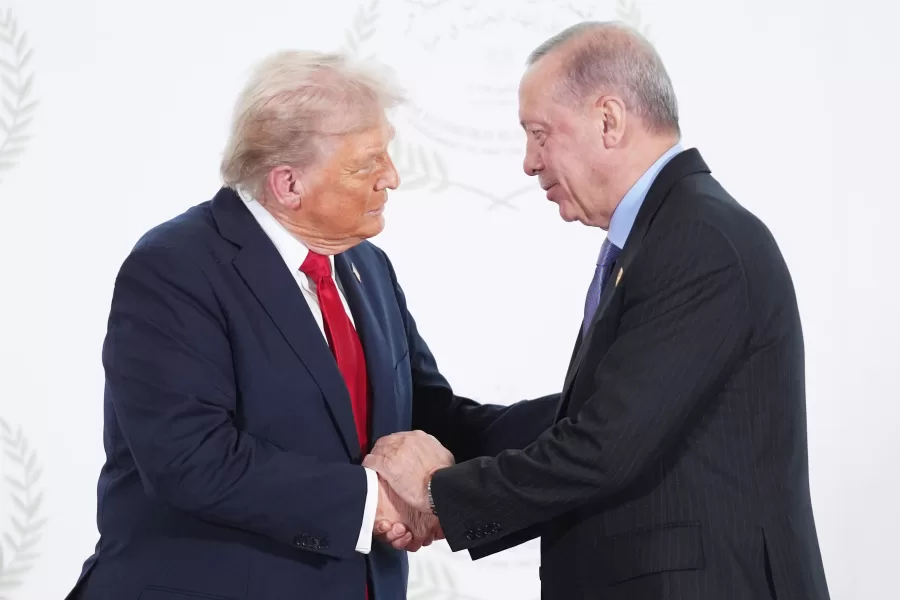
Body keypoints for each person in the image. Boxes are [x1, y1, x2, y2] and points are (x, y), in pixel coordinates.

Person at [363, 21, 832, 600]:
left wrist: (436, 493)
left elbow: (604, 447)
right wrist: (442, 433)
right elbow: (592, 420)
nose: (529, 163)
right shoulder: (667, 234)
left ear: (608, 120)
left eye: (539, 133)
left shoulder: (699, 239)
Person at [64, 50, 556, 600]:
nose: (391, 177)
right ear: (287, 185)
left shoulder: (365, 265)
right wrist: (375, 501)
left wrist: (591, 413)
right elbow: (191, 460)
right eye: (366, 162)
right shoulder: (176, 267)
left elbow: (428, 415)